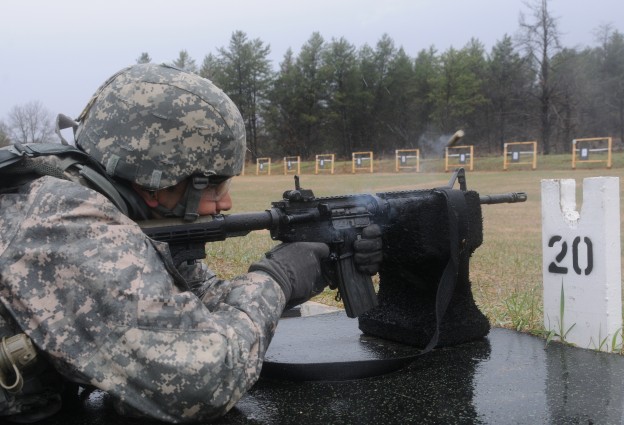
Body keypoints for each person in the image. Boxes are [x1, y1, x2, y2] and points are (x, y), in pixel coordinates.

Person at [0, 63, 382, 423]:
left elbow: (199, 297)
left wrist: (314, 268)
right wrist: (277, 278)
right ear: (155, 184)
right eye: (213, 184)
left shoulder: (99, 201)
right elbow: (202, 380)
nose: (227, 202)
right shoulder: (68, 221)